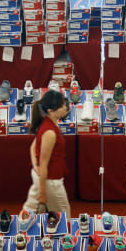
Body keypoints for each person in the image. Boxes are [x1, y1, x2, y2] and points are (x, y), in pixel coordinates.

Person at [23, 89, 72, 218]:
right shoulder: (49, 132)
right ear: (51, 110)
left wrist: (35, 165)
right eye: (62, 105)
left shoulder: (47, 123)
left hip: (42, 178)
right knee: (63, 215)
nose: (65, 107)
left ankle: (21, 232)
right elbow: (44, 164)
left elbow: (33, 147)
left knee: (28, 211)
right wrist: (43, 192)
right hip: (50, 181)